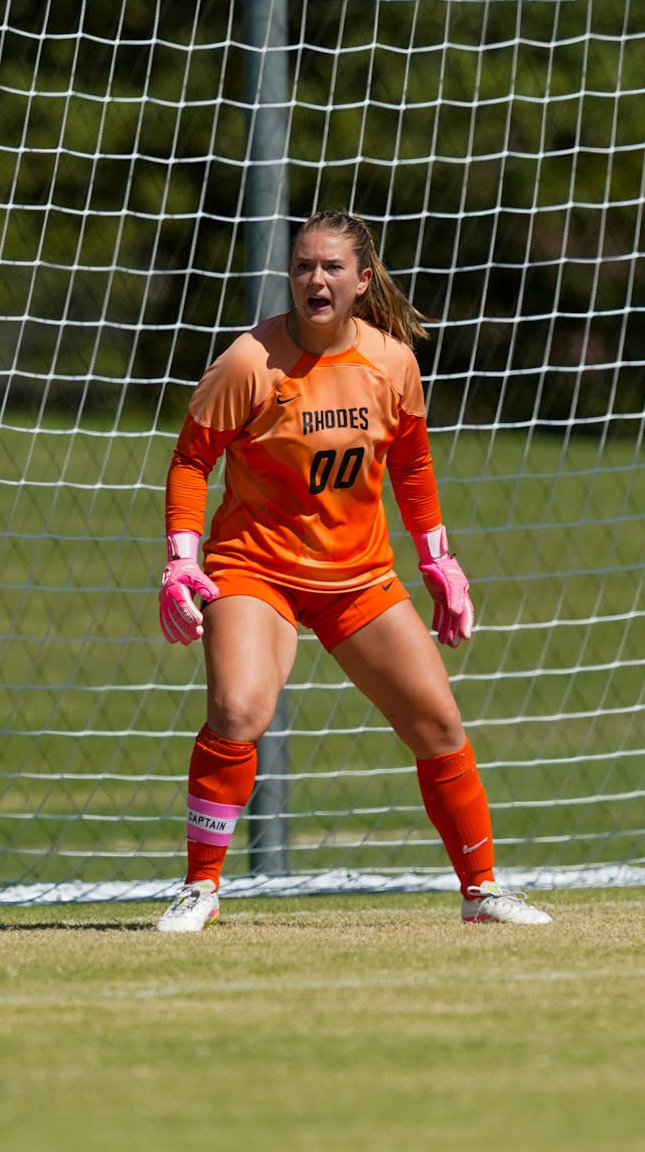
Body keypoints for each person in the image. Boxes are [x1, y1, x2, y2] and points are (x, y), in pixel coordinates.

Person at [154, 211, 549, 931]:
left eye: (332, 267)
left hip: (358, 577)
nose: (315, 279)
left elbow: (413, 464)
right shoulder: (248, 362)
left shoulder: (392, 364)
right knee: (238, 710)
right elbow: (190, 460)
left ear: (363, 280)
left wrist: (437, 558)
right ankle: (199, 887)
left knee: (439, 722)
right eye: (303, 265)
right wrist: (182, 559)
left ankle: (482, 891)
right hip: (256, 569)